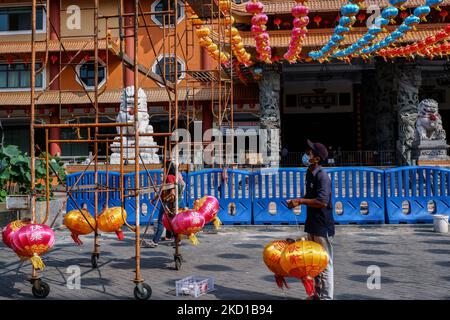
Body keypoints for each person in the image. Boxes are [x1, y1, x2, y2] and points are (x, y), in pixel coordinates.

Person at [286, 139, 335, 300]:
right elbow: (309, 197)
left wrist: (300, 201)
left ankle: (326, 297)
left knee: (325, 262)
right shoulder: (309, 173)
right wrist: (296, 201)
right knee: (312, 261)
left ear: (317, 158)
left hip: (322, 225)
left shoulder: (323, 176)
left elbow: (322, 202)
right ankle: (315, 295)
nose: (306, 155)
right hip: (312, 223)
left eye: (309, 153)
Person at [143, 161, 185, 248]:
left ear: (167, 168)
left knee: (161, 222)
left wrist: (166, 202)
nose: (162, 170)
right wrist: (154, 199)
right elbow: (162, 190)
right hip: (168, 202)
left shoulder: (169, 177)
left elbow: (172, 192)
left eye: (164, 168)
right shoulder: (173, 177)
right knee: (171, 222)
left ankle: (155, 241)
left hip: (166, 203)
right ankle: (178, 240)